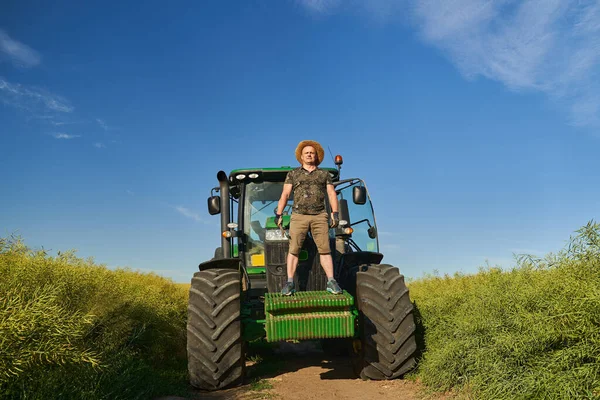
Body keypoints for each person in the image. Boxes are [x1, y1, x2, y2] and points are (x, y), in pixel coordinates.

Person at [274, 140, 342, 295]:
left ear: (316, 156)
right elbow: (285, 194)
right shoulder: (293, 174)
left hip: (319, 215)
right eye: (306, 153)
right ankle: (290, 283)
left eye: (312, 152)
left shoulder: (324, 174)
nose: (309, 155)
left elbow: (331, 193)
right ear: (301, 157)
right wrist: (278, 214)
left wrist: (335, 213)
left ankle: (331, 281)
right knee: (294, 249)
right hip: (298, 216)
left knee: (325, 250)